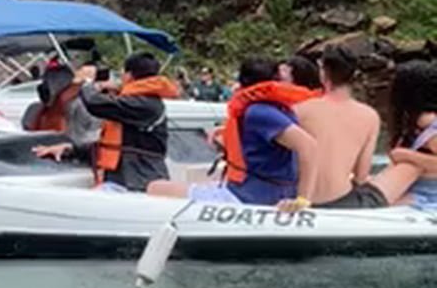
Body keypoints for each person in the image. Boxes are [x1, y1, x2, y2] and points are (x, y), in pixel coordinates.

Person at [149, 58, 319, 209]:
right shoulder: (278, 109)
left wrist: (303, 200)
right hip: (257, 190)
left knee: (156, 187)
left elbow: (309, 146)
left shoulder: (258, 112)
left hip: (250, 197)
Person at [34, 53, 180, 192]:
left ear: (128, 75)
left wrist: (88, 82)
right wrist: (70, 149)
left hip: (139, 181)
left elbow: (94, 103)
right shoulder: (142, 101)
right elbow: (115, 145)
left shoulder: (145, 105)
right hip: (127, 179)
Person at [297, 46, 383, 208]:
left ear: (323, 72)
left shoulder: (300, 110)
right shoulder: (370, 116)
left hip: (300, 199)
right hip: (341, 201)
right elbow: (361, 176)